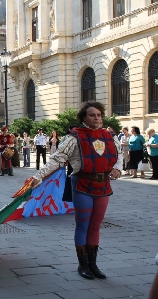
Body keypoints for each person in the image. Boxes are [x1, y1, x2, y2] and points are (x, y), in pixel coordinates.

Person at [31, 102, 122, 280]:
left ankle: (93, 264)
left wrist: (118, 168)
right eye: (92, 115)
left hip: (103, 186)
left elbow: (118, 157)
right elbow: (57, 159)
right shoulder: (74, 137)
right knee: (83, 225)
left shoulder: (110, 136)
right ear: (84, 118)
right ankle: (83, 265)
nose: (96, 117)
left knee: (95, 227)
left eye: (98, 114)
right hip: (82, 185)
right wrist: (39, 176)